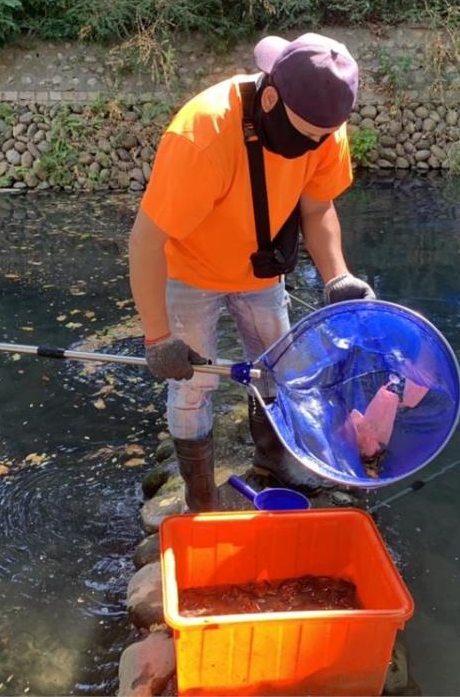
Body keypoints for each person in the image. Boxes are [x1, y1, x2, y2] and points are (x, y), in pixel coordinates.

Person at [128, 32, 375, 512]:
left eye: (322, 137)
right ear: (269, 97)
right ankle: (200, 494)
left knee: (276, 372)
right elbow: (145, 241)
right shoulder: (201, 134)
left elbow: (318, 208)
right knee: (192, 385)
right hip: (190, 272)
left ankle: (276, 458)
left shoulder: (324, 122)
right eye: (304, 134)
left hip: (261, 272)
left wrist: (337, 277)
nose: (315, 145)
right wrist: (158, 338)